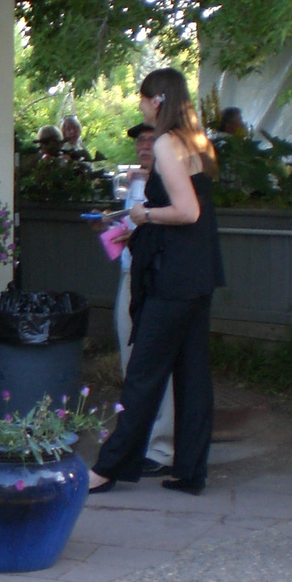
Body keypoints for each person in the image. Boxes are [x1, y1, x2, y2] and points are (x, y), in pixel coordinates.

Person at [88, 69, 224, 496]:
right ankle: (190, 470)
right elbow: (184, 209)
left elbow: (186, 211)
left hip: (173, 276)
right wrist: (143, 224)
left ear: (159, 100)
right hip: (198, 272)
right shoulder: (195, 140)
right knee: (192, 375)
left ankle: (109, 467)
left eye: (144, 98)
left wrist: (143, 215)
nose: (141, 106)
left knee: (143, 373)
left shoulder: (167, 142)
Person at [112, 122, 174, 474]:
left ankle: (162, 446)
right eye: (140, 141)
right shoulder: (134, 181)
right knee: (130, 358)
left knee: (157, 360)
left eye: (151, 139)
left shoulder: (170, 180)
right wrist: (110, 227)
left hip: (157, 277)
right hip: (129, 273)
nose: (144, 146)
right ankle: (136, 438)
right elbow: (133, 227)